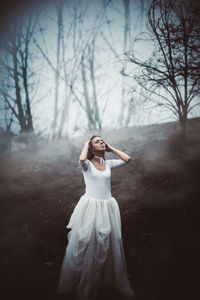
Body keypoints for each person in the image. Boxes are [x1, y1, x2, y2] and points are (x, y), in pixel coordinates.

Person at [56, 135, 135, 300]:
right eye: (97, 141)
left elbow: (127, 159)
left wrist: (110, 147)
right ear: (91, 147)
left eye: (102, 140)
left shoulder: (108, 164)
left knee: (109, 241)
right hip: (91, 208)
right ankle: (85, 283)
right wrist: (86, 146)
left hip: (107, 207)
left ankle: (105, 280)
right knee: (88, 241)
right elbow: (82, 159)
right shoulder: (87, 165)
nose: (101, 142)